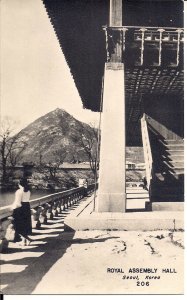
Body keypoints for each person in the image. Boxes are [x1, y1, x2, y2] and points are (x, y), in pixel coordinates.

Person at [11, 178, 32, 246]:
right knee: (25, 224)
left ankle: (27, 239)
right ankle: (24, 241)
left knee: (18, 225)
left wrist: (12, 208)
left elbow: (18, 203)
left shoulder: (19, 191)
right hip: (27, 207)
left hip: (21, 209)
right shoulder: (28, 191)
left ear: (19, 184)